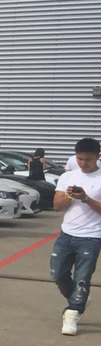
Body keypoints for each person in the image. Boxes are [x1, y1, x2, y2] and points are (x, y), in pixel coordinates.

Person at [51, 137, 101, 335]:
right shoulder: (67, 177)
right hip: (67, 233)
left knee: (82, 278)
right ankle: (79, 299)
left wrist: (86, 198)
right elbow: (57, 206)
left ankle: (73, 312)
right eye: (79, 159)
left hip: (92, 236)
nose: (83, 163)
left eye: (88, 159)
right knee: (57, 273)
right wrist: (71, 195)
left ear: (98, 156)